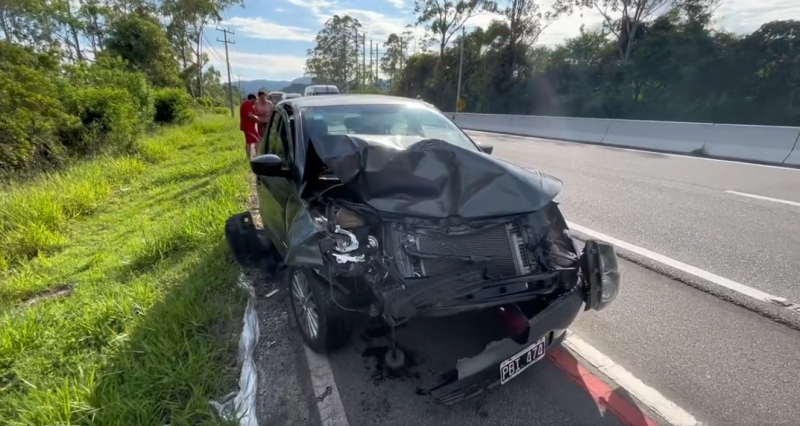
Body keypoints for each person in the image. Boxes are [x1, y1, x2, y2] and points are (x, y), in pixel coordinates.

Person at [239, 94, 260, 159]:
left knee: (249, 142)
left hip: (246, 126)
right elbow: (250, 115)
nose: (255, 102)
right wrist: (258, 119)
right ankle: (257, 156)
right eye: (255, 100)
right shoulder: (248, 103)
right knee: (258, 140)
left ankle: (248, 157)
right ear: (252, 99)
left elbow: (250, 113)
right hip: (249, 127)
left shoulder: (244, 104)